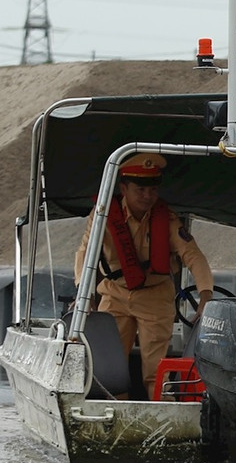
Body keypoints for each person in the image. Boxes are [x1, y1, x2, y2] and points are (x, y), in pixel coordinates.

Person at [74, 152, 214, 399]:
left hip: (156, 297)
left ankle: (162, 418)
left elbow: (193, 256)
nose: (148, 196)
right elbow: (85, 253)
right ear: (123, 188)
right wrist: (83, 294)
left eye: (153, 189)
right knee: (109, 367)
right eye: (140, 189)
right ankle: (116, 415)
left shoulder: (167, 220)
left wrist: (206, 295)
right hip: (114, 294)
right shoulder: (103, 216)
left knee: (156, 371)